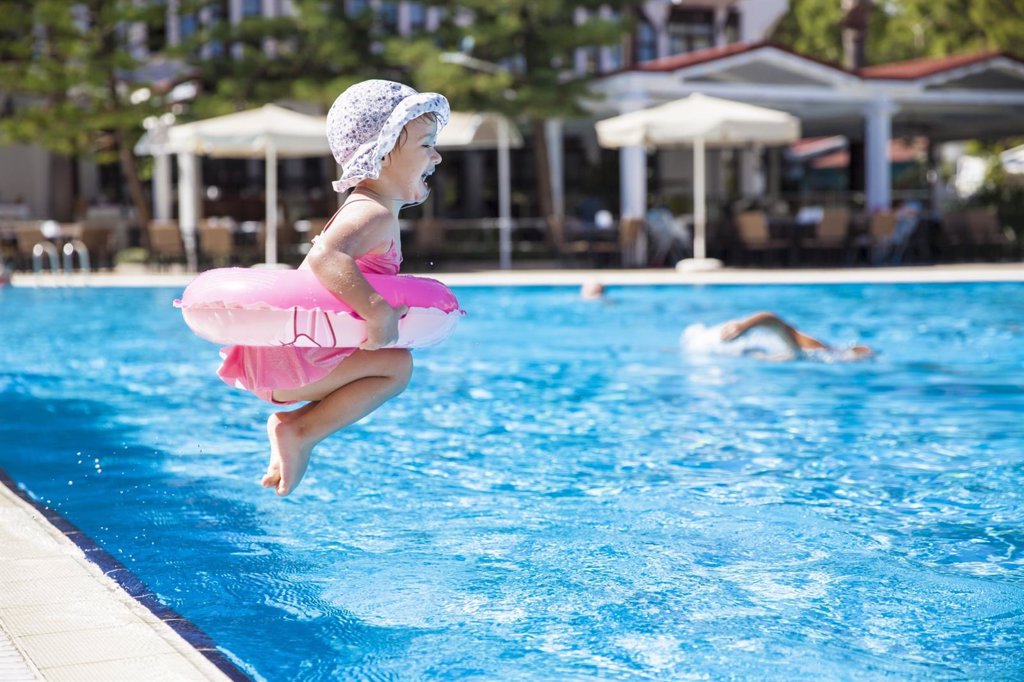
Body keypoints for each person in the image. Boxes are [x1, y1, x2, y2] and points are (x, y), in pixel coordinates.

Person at [217, 80, 449, 496]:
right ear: (379, 154)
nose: (437, 155)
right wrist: (377, 310)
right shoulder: (372, 214)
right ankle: (301, 431)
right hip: (293, 361)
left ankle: (296, 427)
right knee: (397, 367)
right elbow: (326, 257)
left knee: (395, 364)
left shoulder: (372, 211)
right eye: (426, 144)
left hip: (290, 360)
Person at [682, 311, 873, 362]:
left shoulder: (809, 356)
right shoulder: (812, 348)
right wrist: (743, 326)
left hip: (732, 345)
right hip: (730, 336)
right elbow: (771, 317)